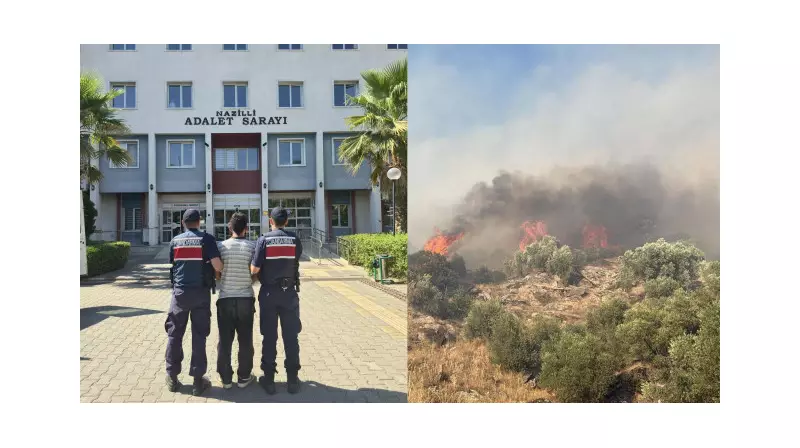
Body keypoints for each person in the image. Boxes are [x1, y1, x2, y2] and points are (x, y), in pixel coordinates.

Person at [165, 209, 223, 396]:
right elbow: (218, 266)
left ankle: (172, 378)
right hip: (200, 294)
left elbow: (173, 265)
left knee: (175, 335)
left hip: (179, 294)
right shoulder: (206, 239)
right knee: (199, 336)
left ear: (183, 223)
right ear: (200, 222)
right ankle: (198, 381)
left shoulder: (175, 241)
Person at [250, 207, 303, 394]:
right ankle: (293, 380)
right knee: (291, 337)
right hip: (289, 294)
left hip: (269, 295)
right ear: (286, 222)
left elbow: (254, 270)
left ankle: (269, 380)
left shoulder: (264, 240)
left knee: (269, 337)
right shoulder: (294, 240)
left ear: (271, 221)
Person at [215, 212, 257, 389]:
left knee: (225, 340)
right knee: (245, 340)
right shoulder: (252, 247)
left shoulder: (221, 246)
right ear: (246, 229)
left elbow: (217, 274)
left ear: (229, 228)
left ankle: (225, 379)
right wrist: (248, 280)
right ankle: (244, 377)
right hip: (246, 300)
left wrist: (223, 279)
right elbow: (255, 273)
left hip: (225, 299)